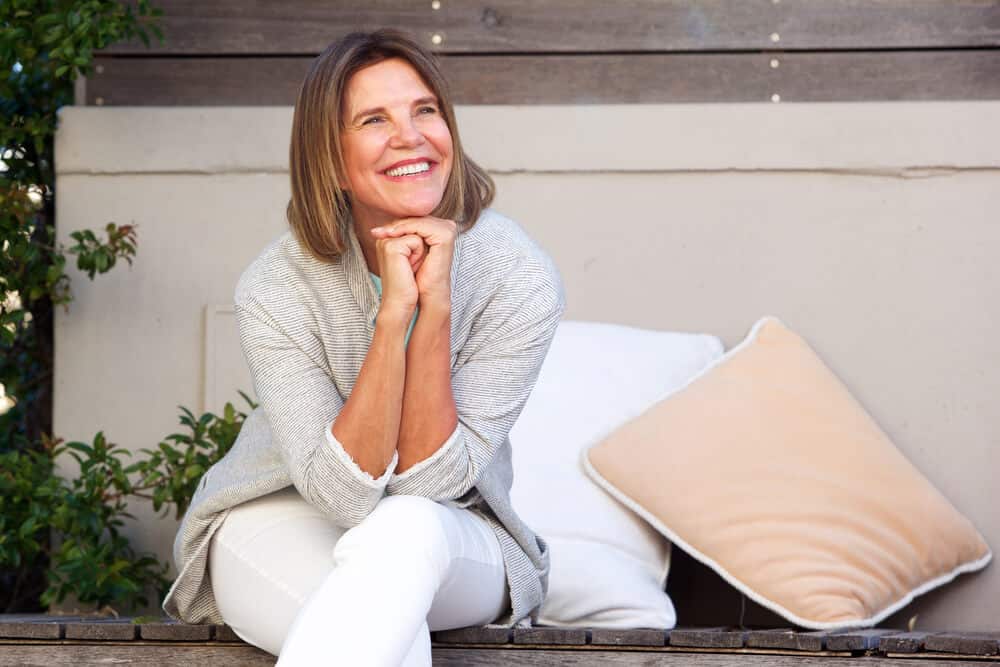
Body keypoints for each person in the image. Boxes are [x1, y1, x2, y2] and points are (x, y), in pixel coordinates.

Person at [161, 28, 566, 665]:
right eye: (374, 119)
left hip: (455, 534)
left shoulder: (517, 275)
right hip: (277, 519)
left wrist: (433, 313)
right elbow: (342, 496)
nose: (411, 136)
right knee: (380, 632)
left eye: (424, 110)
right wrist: (393, 313)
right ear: (330, 158)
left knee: (402, 532)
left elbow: (430, 485)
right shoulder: (278, 285)